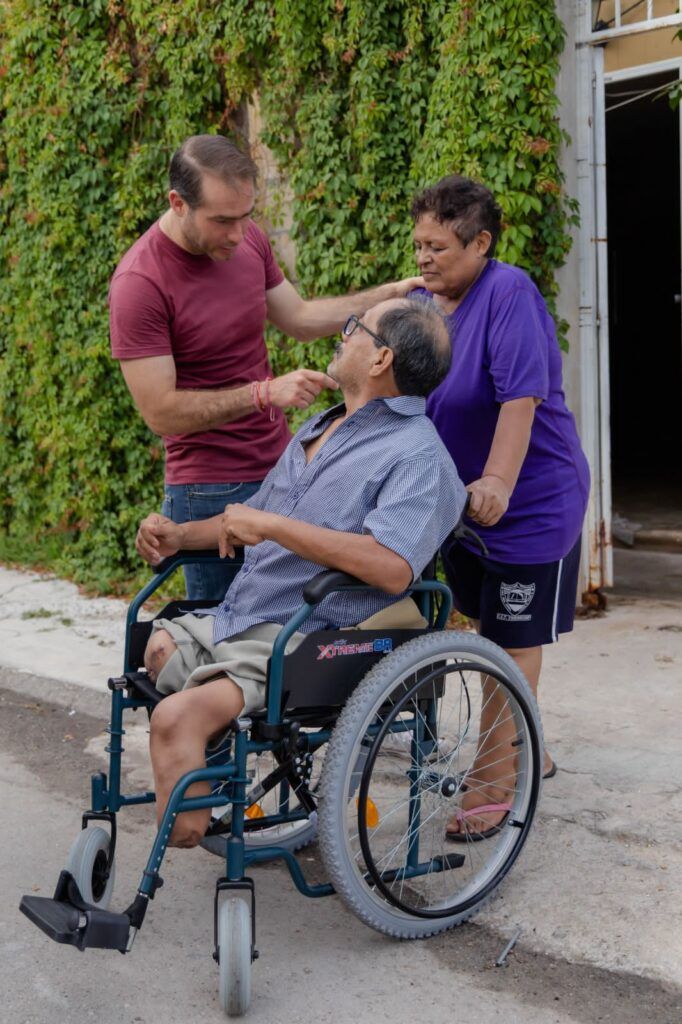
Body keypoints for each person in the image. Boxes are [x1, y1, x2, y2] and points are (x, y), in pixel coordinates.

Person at [134, 297, 467, 848]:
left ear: (380, 359)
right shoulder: (321, 428)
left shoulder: (417, 455)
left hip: (311, 634)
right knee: (158, 650)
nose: (344, 332)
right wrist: (179, 537)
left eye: (354, 327)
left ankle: (187, 841)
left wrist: (273, 528)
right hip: (252, 611)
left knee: (175, 719)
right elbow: (254, 517)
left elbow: (391, 566)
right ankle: (216, 776)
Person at [110, 134, 423, 600]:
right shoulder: (140, 283)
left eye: (246, 216)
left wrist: (388, 296)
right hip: (208, 486)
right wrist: (262, 393)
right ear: (177, 203)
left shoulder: (247, 240)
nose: (238, 235)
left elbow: (298, 319)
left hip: (281, 469)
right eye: (222, 221)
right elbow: (160, 412)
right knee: (225, 635)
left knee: (281, 636)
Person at [408, 175, 590, 840]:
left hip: (528, 499)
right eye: (419, 245)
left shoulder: (508, 292)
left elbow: (521, 399)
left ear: (481, 242)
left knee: (510, 645)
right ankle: (520, 744)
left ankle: (495, 781)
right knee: (485, 627)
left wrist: (499, 484)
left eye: (439, 247)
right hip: (464, 506)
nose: (424, 258)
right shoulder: (423, 303)